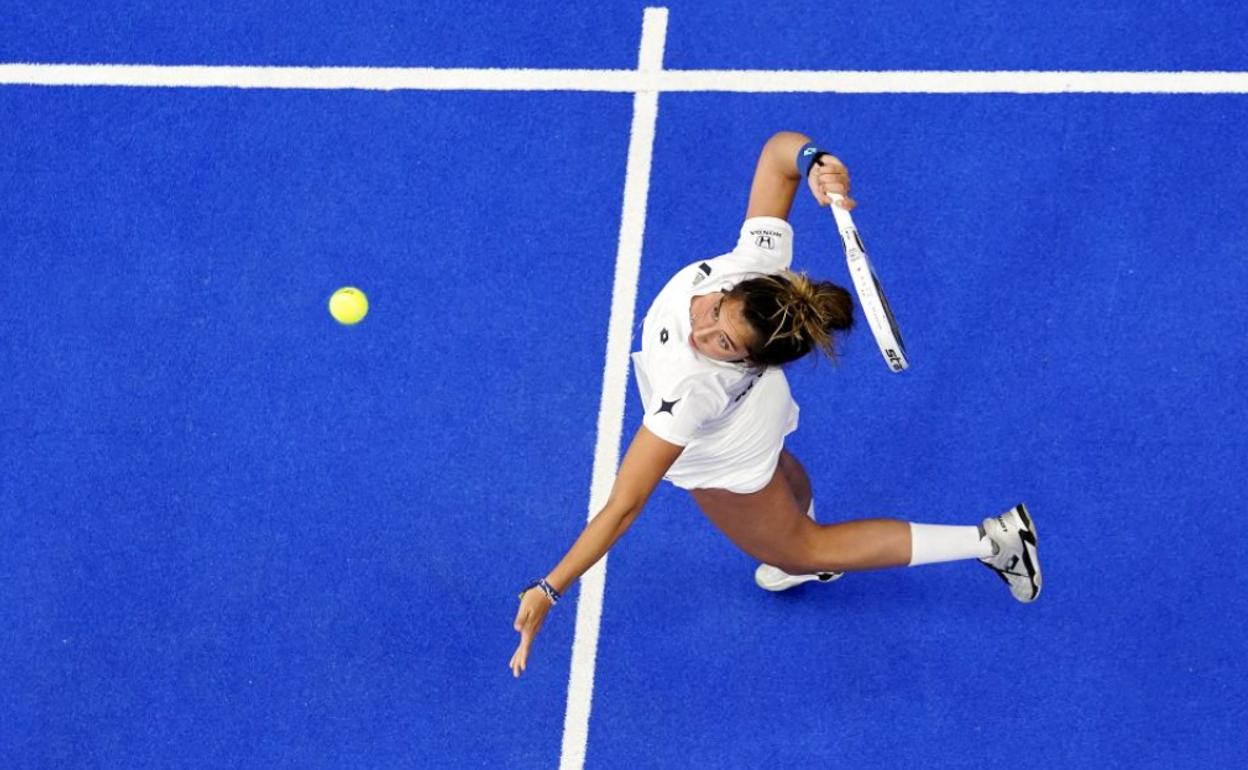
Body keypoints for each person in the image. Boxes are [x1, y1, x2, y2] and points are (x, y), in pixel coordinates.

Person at [509, 131, 1041, 678]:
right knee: (779, 471)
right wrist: (815, 162)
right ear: (735, 289)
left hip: (725, 453)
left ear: (749, 361)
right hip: (758, 417)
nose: (702, 330)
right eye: (717, 311)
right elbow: (777, 153)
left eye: (723, 344)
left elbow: (624, 505)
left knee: (801, 548)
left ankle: (992, 541)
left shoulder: (693, 393)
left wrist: (551, 587)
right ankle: (794, 530)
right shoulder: (754, 267)